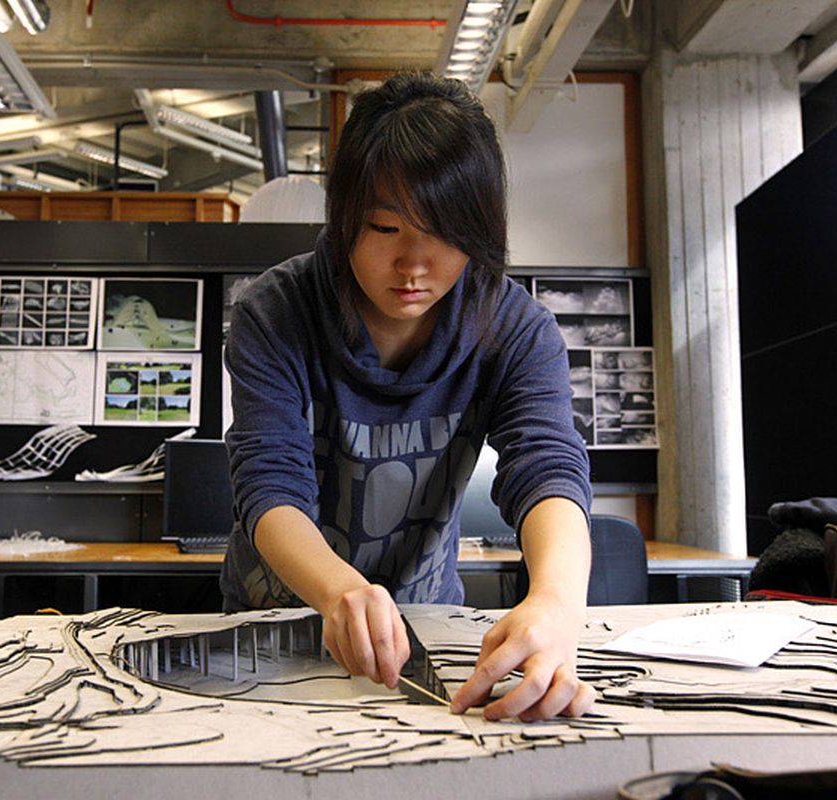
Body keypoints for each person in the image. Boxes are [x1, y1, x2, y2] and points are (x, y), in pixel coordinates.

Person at [220, 72, 595, 722]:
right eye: (385, 228)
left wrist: (557, 604)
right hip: (270, 628)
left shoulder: (513, 327)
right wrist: (338, 591)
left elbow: (548, 468)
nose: (414, 264)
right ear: (344, 217)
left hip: (429, 627)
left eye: (445, 233)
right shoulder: (275, 314)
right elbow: (268, 481)